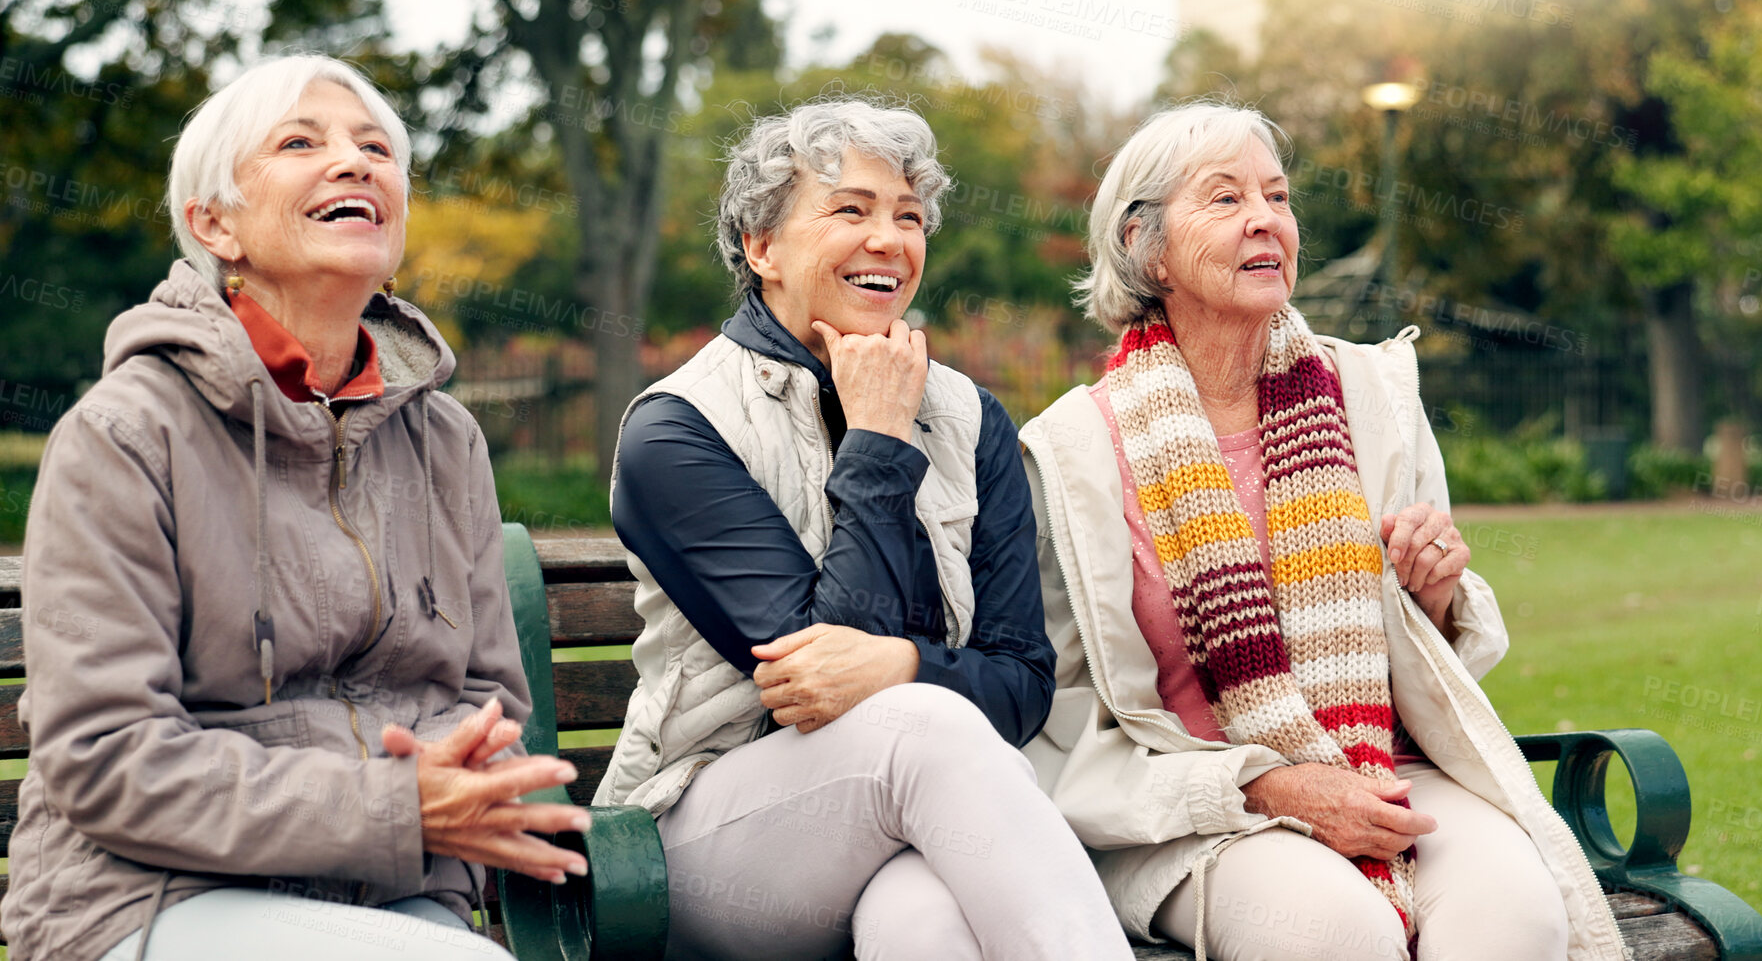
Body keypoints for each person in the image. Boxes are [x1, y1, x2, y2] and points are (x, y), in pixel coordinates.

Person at [2, 54, 589, 961]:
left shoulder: (447, 441)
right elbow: (105, 757)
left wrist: (465, 793)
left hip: (399, 895)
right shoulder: (125, 433)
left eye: (374, 148)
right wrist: (393, 805)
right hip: (149, 900)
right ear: (214, 225)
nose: (355, 163)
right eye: (299, 143)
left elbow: (487, 704)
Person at [1018, 102, 1629, 961]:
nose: (1265, 218)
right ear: (1147, 246)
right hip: (1193, 809)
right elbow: (1064, 718)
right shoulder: (1070, 448)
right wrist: (1271, 784)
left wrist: (1437, 587)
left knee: (1517, 918)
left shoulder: (1371, 391)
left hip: (1383, 760)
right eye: (1224, 199)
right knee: (1335, 934)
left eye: (1277, 195)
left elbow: (1447, 650)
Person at [596, 97, 1130, 961]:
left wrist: (907, 664)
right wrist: (878, 438)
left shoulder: (969, 417)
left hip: (912, 816)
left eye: (908, 217)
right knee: (925, 725)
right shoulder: (678, 429)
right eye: (850, 209)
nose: (890, 239)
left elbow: (1026, 681)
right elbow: (813, 679)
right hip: (707, 836)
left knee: (926, 923)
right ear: (761, 247)